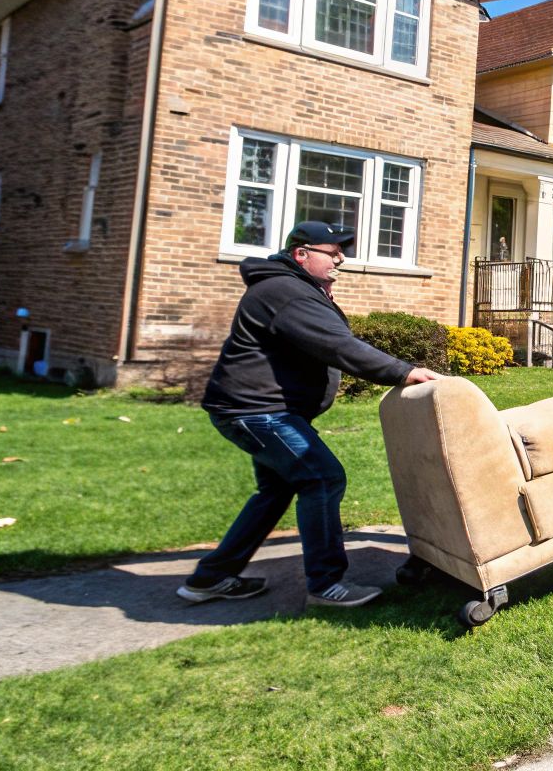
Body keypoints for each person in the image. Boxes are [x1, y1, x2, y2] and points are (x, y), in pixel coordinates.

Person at [178, 221, 440, 608]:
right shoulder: (286, 292)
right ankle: (326, 585)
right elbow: (337, 346)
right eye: (331, 252)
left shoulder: (295, 289)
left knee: (278, 489)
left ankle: (211, 577)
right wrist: (404, 370)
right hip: (260, 412)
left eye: (341, 252)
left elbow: (324, 339)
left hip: (259, 410)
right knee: (322, 478)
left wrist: (325, 296)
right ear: (301, 254)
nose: (341, 258)